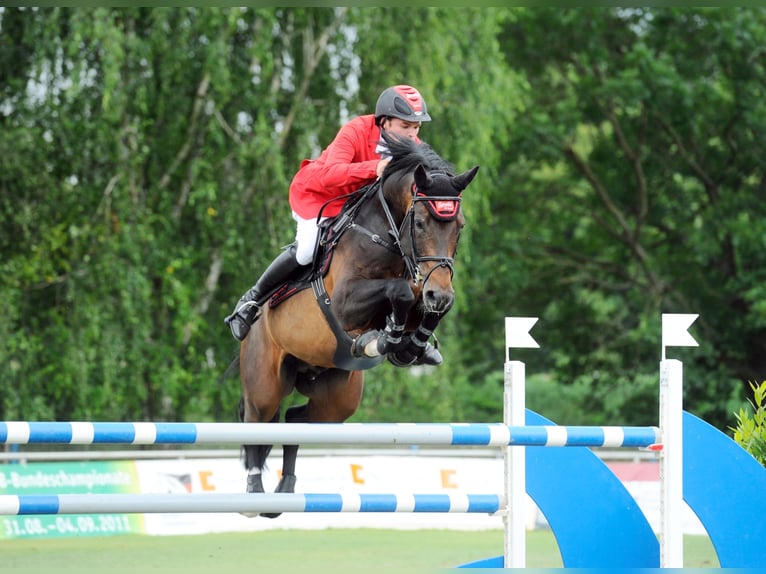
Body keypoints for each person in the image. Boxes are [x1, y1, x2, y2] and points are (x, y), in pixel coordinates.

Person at [225, 84, 432, 347]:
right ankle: (251, 300)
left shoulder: (413, 146)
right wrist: (374, 167)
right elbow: (329, 175)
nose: (412, 134)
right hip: (319, 194)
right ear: (385, 121)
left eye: (416, 128)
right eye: (405, 126)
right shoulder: (356, 130)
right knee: (307, 250)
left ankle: (411, 337)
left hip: (356, 204)